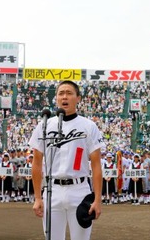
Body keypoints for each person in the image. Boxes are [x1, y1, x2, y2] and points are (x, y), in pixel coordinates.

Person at [30, 80, 105, 240]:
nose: (65, 97)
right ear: (56, 98)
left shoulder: (88, 126)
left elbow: (96, 165)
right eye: (61, 93)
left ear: (78, 98)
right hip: (52, 191)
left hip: (79, 191)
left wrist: (97, 199)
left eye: (69, 93)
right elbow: (36, 164)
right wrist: (37, 197)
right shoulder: (44, 126)